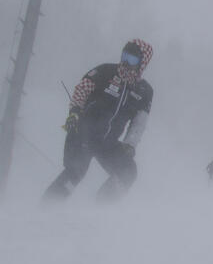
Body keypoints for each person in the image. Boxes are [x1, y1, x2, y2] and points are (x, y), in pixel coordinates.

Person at [42, 39, 154, 202]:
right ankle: (47, 207)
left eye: (132, 60)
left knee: (128, 171)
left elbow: (139, 121)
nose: (126, 63)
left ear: (142, 63)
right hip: (83, 133)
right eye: (125, 56)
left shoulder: (144, 91)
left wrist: (130, 144)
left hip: (107, 142)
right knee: (76, 171)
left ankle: (101, 209)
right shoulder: (106, 71)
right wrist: (74, 113)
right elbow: (82, 90)